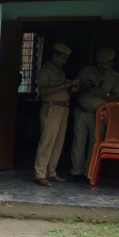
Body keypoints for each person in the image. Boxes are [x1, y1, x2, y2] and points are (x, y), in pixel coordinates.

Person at [70, 48, 119, 182]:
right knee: (78, 143)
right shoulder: (87, 70)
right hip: (81, 111)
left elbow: (118, 98)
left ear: (112, 63)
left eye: (106, 63)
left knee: (94, 144)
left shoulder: (116, 77)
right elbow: (73, 88)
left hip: (99, 115)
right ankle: (76, 172)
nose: (102, 66)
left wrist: (103, 94)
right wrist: (84, 88)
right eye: (100, 63)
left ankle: (89, 172)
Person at [34, 43, 79, 186]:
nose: (64, 61)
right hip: (51, 108)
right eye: (62, 58)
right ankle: (39, 173)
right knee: (47, 141)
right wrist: (65, 85)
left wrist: (71, 89)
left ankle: (51, 172)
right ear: (54, 56)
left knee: (58, 142)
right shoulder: (44, 71)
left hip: (63, 109)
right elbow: (44, 91)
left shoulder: (60, 71)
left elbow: (60, 92)